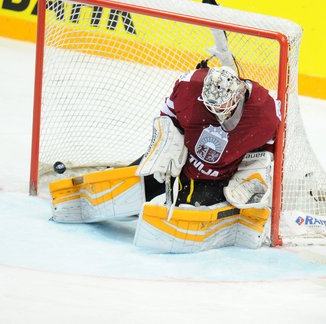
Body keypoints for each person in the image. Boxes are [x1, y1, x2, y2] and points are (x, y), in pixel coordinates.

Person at [49, 64, 282, 253]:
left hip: (216, 179)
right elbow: (167, 119)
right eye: (210, 107)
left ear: (237, 96)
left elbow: (263, 155)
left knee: (186, 205)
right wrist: (165, 149)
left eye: (220, 107)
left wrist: (249, 176)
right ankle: (84, 200)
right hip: (180, 158)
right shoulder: (189, 86)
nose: (214, 113)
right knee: (144, 176)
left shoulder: (266, 113)